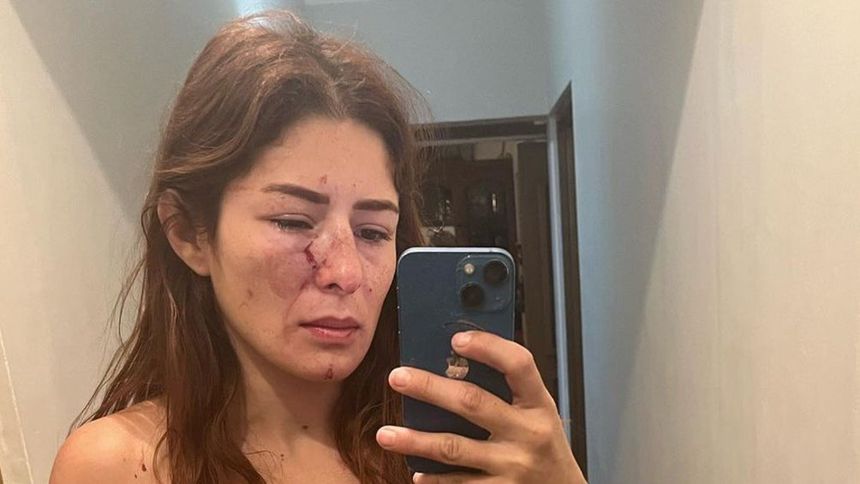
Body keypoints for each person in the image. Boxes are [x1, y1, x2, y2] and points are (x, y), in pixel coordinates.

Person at [49, 10, 586, 484]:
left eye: (373, 232)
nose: (346, 272)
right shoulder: (120, 466)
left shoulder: (444, 447)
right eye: (292, 221)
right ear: (190, 233)